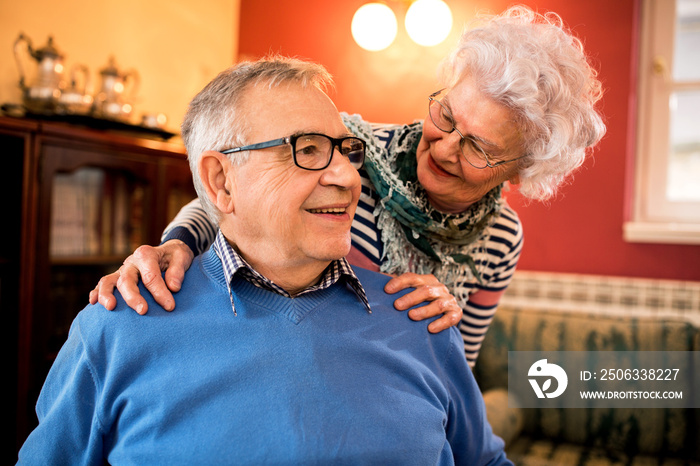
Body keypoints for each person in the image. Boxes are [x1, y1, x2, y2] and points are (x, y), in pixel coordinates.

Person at [18, 57, 510, 465]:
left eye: (347, 151)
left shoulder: (424, 321)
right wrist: (178, 242)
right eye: (308, 150)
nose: (347, 176)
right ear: (221, 182)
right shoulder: (116, 330)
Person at [90, 5, 606, 366]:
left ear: (520, 169)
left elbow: (457, 372)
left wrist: (442, 332)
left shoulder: (501, 239)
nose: (445, 146)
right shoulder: (347, 151)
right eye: (446, 115)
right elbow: (232, 200)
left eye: (478, 147)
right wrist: (174, 246)